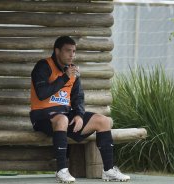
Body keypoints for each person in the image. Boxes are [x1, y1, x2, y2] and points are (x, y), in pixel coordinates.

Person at [30, 36, 130, 183]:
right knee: (62, 119)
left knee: (103, 121)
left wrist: (78, 115)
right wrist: (64, 78)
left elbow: (78, 98)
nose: (72, 55)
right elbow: (42, 93)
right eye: (68, 51)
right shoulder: (43, 66)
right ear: (57, 51)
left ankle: (108, 170)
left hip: (65, 116)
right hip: (42, 117)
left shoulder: (72, 71)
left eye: (74, 51)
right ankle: (62, 171)